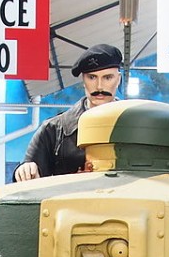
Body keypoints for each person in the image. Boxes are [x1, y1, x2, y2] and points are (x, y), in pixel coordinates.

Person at [13, 44, 123, 181]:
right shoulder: (53, 130)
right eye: (92, 77)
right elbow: (28, 181)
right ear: (83, 80)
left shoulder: (135, 127)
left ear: (118, 79)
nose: (99, 86)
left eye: (107, 78)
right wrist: (25, 170)